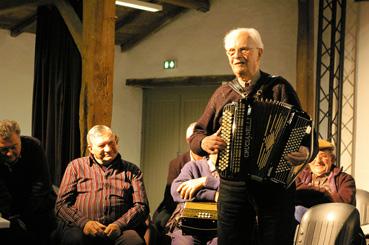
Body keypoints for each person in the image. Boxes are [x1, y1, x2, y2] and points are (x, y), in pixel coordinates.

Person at [188, 28, 317, 245]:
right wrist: (204, 141)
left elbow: (307, 133)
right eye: (231, 51)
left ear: (260, 53)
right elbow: (196, 134)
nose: (236, 56)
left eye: (244, 49)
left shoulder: (279, 88)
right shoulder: (222, 94)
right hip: (233, 187)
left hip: (274, 187)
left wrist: (304, 152)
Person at [55, 125, 149, 245]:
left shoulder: (132, 170)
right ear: (91, 148)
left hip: (121, 230)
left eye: (111, 143)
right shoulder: (76, 166)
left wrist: (119, 225)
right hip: (81, 228)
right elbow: (61, 204)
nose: (108, 149)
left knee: (134, 242)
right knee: (73, 240)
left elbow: (142, 206)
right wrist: (84, 223)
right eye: (101, 145)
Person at [0, 119, 56, 245]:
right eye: (3, 149)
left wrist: (23, 216)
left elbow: (42, 185)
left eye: (14, 147)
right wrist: (11, 215)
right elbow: (1, 192)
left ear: (20, 139)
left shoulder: (34, 146)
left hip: (38, 206)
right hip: (9, 208)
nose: (9, 153)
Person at [152, 122, 205, 238]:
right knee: (159, 221)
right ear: (188, 141)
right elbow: (170, 196)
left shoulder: (213, 160)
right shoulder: (176, 163)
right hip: (179, 204)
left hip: (207, 204)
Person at [294, 139, 356, 222]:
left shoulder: (345, 179)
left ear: (332, 159)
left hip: (333, 221)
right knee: (296, 210)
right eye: (313, 157)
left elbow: (344, 203)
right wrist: (324, 193)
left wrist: (312, 193)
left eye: (323, 156)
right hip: (307, 220)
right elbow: (293, 194)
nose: (318, 161)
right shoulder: (300, 176)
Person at [167, 153, 219, 245]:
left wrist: (206, 181)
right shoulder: (193, 166)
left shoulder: (232, 172)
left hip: (219, 226)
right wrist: (213, 195)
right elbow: (177, 190)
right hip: (189, 224)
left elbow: (233, 194)